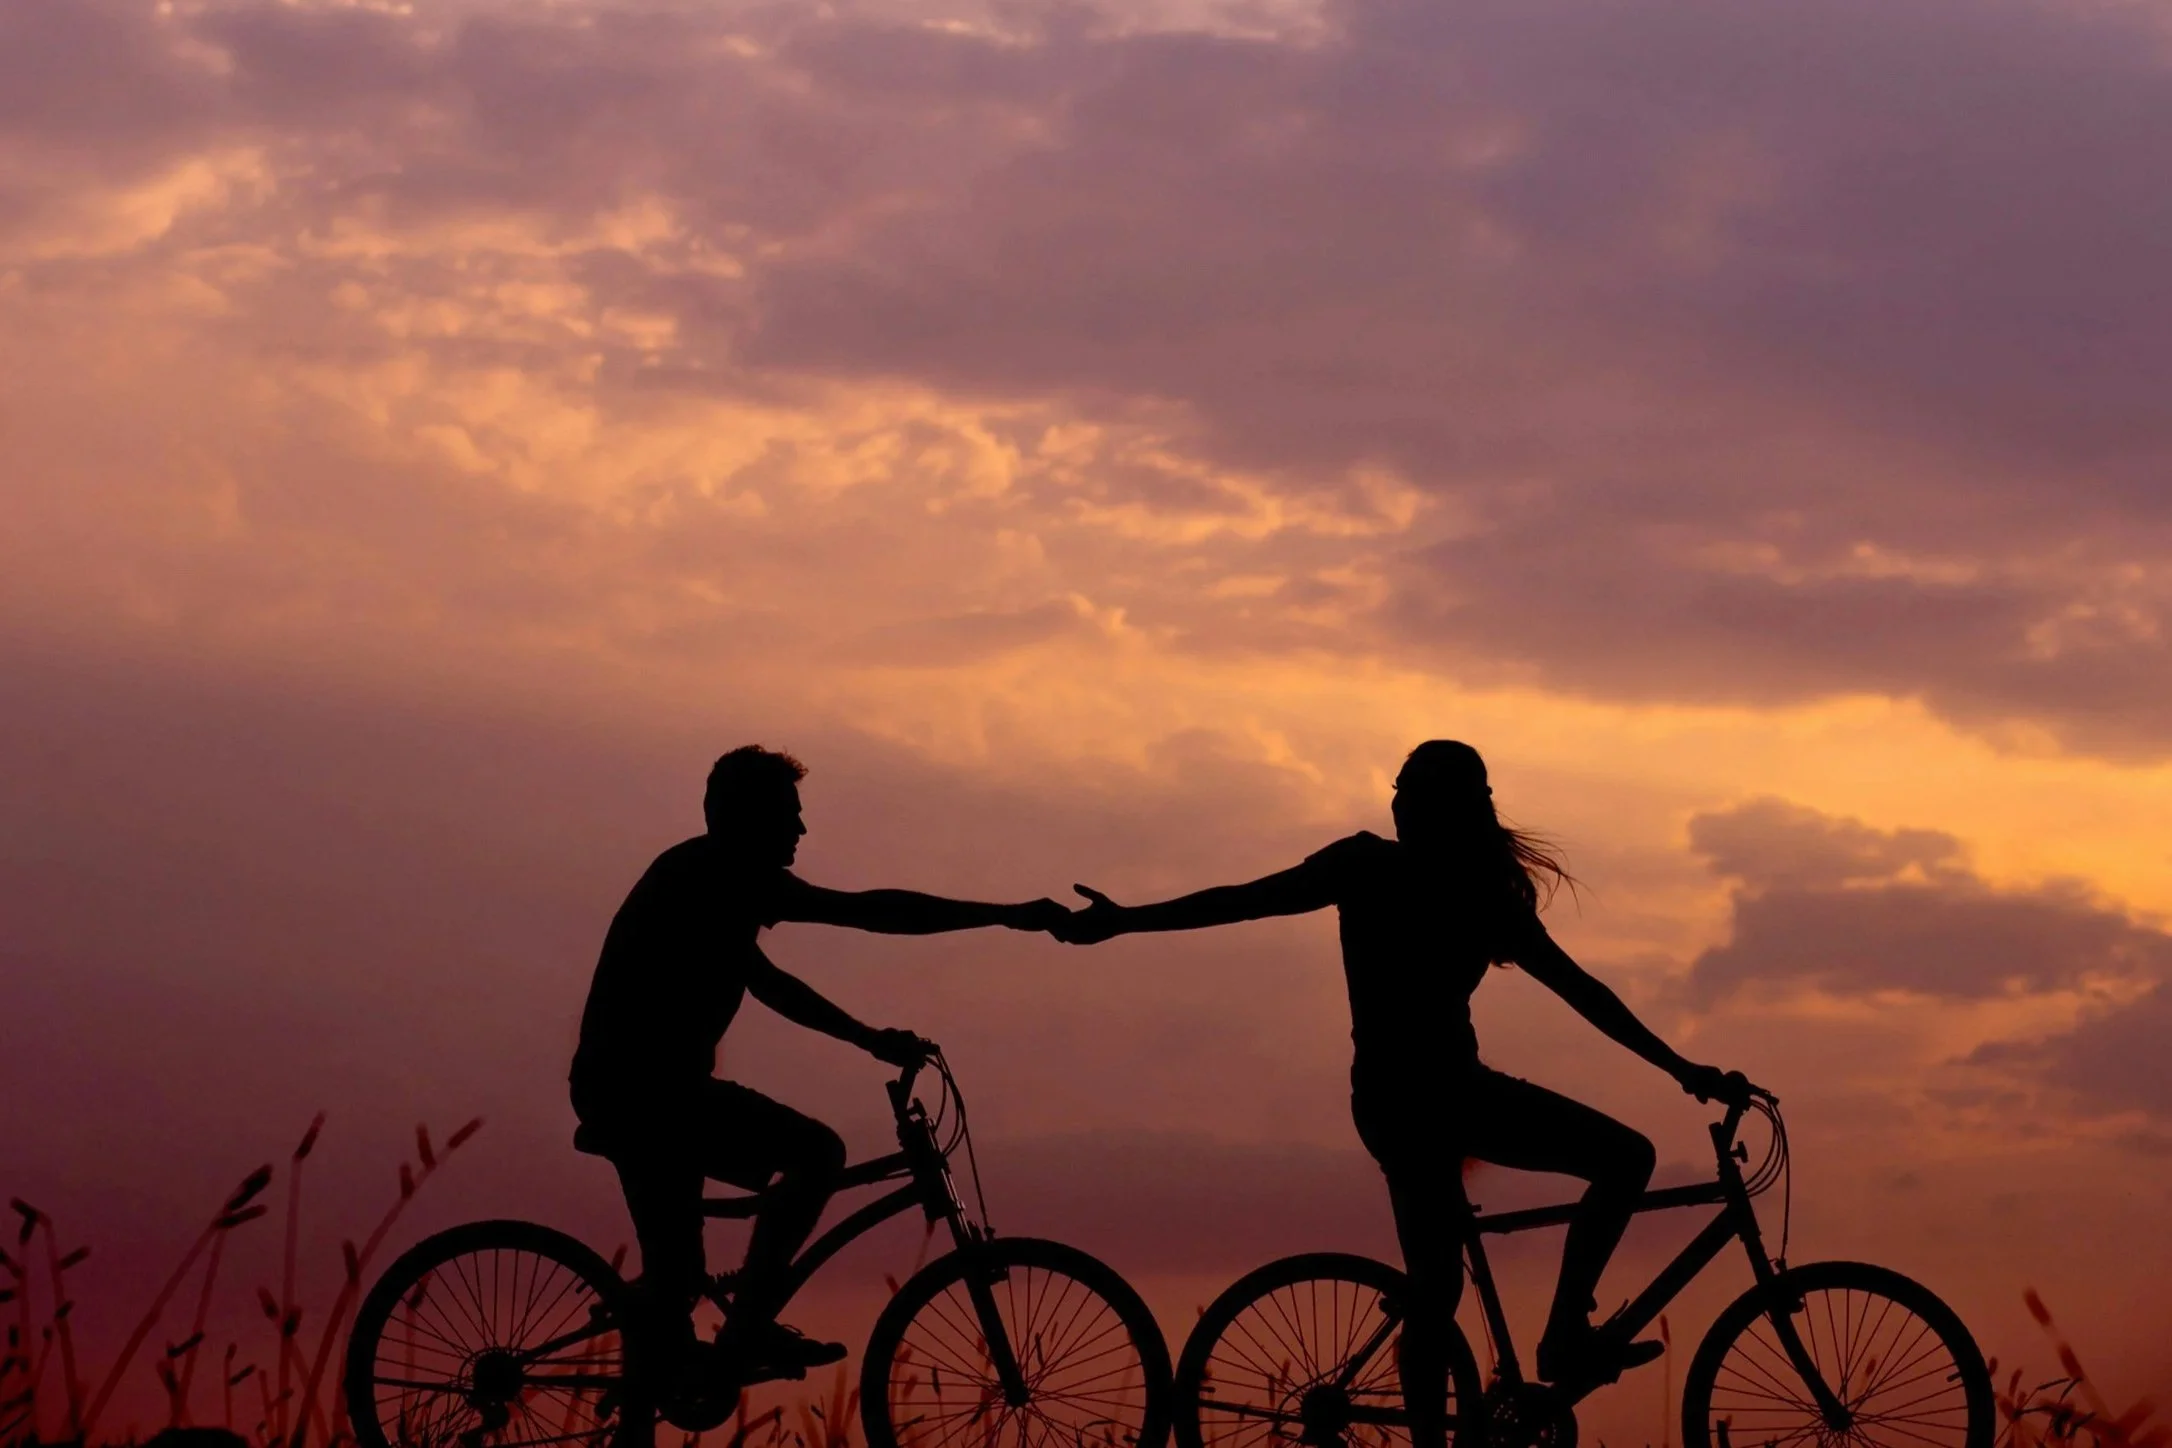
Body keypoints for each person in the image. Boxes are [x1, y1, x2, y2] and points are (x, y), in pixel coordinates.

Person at [1052, 740, 1743, 1413]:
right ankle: (1563, 1337)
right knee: (1612, 1167)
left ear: (1447, 807)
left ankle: (1544, 1351)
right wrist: (1126, 921)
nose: (1399, 803)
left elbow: (1582, 991)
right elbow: (1242, 900)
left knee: (1440, 1287)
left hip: (1413, 1100)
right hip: (1434, 1100)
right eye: (1399, 790)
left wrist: (1683, 1069)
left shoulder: (1439, 885)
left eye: (1412, 791)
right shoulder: (1405, 876)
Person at [570, 745, 1066, 1376]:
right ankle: (746, 1327)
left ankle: (672, 1359)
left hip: (651, 1092)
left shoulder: (711, 881)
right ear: (746, 818)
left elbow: (770, 980)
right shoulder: (716, 877)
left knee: (677, 1284)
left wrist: (868, 1037)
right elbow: (867, 915)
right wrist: (1006, 916)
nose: (801, 828)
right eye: (787, 812)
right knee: (816, 1154)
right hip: (644, 1096)